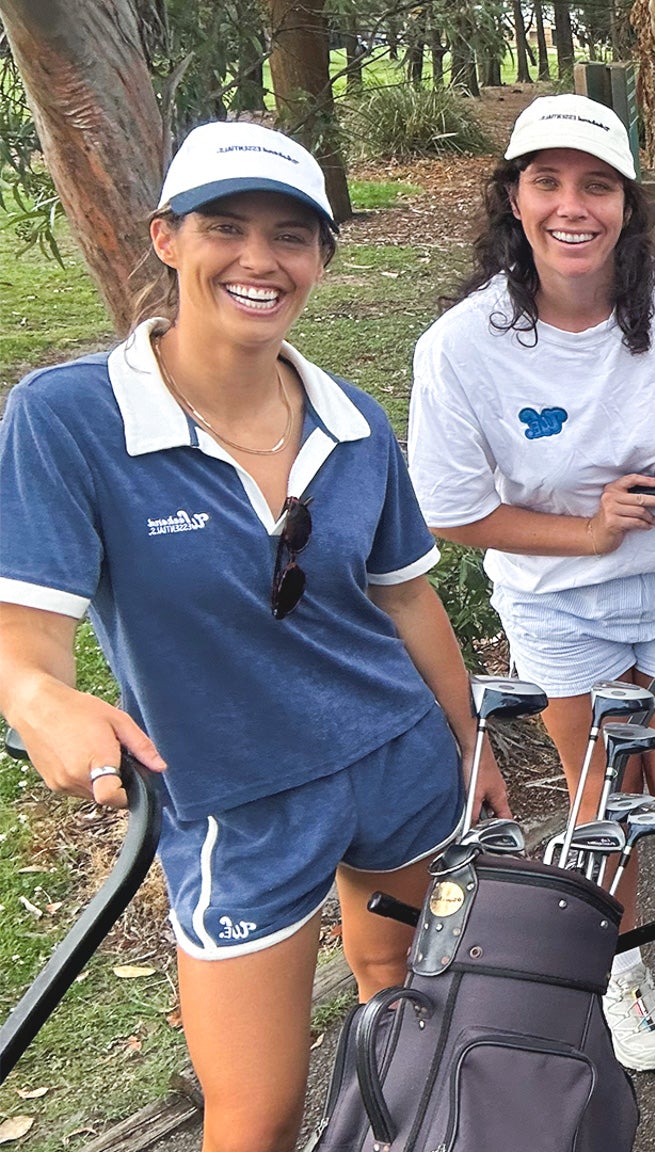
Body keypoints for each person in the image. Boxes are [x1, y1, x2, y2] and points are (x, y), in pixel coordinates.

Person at [0, 123, 505, 1152]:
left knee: (398, 1003)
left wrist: (469, 742)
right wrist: (37, 697)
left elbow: (409, 602)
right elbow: (28, 638)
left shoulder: (355, 423)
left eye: (292, 236)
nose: (260, 260)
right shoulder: (71, 418)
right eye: (225, 227)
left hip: (397, 758)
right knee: (255, 1112)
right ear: (167, 238)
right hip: (235, 800)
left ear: (320, 256)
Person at [407, 94, 655, 1072]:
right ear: (514, 199)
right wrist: (589, 531)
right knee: (603, 795)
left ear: (628, 203)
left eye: (597, 184)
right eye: (548, 181)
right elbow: (450, 510)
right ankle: (621, 970)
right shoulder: (462, 346)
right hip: (560, 601)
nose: (574, 205)